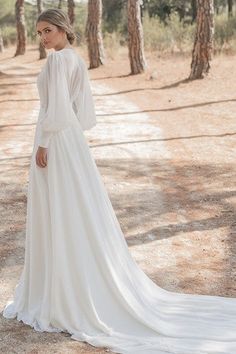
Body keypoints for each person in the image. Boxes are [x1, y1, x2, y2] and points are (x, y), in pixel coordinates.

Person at [2, 8, 236, 354]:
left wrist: (46, 143)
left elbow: (58, 111)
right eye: (38, 33)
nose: (43, 38)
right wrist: (66, 140)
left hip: (53, 140)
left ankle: (59, 292)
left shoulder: (56, 62)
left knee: (60, 209)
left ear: (64, 28)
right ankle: (69, 282)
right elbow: (83, 114)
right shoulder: (76, 59)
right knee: (74, 208)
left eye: (47, 30)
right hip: (71, 142)